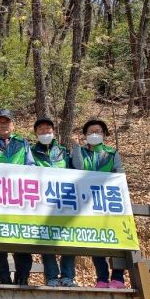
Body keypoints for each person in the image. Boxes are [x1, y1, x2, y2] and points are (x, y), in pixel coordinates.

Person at [0, 109, 36, 285]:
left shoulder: (22, 143)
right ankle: (3, 277)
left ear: (13, 125)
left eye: (7, 122)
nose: (3, 125)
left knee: (23, 240)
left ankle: (23, 277)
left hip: (21, 200)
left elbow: (31, 165)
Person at [71, 119, 125, 289]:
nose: (95, 134)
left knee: (116, 240)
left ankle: (118, 278)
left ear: (104, 134)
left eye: (99, 131)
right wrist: (76, 147)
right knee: (96, 241)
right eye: (90, 132)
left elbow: (119, 174)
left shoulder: (111, 153)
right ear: (85, 135)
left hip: (109, 201)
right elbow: (78, 168)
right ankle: (101, 278)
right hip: (87, 203)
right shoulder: (80, 151)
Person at [30, 117, 76, 287]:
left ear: (53, 131)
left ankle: (68, 276)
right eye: (41, 129)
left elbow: (74, 172)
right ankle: (51, 277)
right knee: (46, 238)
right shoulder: (31, 151)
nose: (45, 132)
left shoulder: (63, 151)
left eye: (48, 129)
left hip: (65, 200)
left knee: (68, 238)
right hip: (42, 201)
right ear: (36, 133)